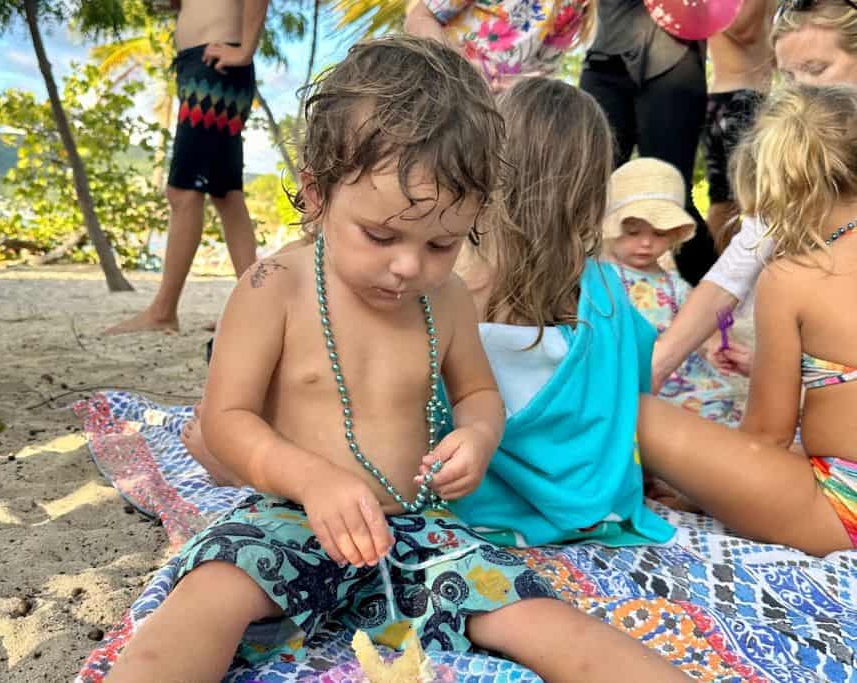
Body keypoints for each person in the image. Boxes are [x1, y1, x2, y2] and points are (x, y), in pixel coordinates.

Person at [106, 37, 687, 683]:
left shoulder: (445, 299)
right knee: (203, 600)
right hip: (288, 517)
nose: (408, 265)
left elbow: (477, 394)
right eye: (380, 235)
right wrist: (310, 479)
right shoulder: (275, 287)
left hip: (418, 527)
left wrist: (476, 434)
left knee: (545, 618)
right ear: (318, 192)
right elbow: (226, 419)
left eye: (442, 241)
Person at [447, 79, 677, 549]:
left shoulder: (444, 284)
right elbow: (632, 387)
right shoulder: (607, 292)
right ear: (593, 190)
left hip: (468, 504)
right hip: (594, 505)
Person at [639, 84, 857, 558]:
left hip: (844, 508)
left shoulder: (795, 275)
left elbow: (766, 437)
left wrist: (707, 491)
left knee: (636, 413)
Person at [652, 0, 857, 389]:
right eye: (790, 78)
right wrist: (657, 368)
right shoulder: (796, 167)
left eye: (817, 70)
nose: (802, 94)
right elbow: (736, 268)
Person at [106, 0, 267, 335]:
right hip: (203, 64)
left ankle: (164, 311)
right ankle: (258, 311)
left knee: (183, 192)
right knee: (226, 193)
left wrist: (245, 51)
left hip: (217, 65)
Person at [579, 0, 716, 286]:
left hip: (673, 58)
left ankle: (717, 309)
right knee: (587, 192)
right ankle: (562, 301)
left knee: (674, 195)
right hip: (605, 58)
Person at [603, 158, 742, 427]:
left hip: (678, 378)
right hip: (621, 376)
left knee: (712, 412)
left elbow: (702, 321)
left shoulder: (674, 286)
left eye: (658, 233)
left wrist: (714, 344)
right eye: (632, 232)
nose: (646, 243)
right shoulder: (597, 278)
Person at [703, 0, 774, 252]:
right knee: (739, 200)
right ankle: (717, 276)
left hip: (757, 98)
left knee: (750, 198)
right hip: (734, 100)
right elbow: (743, 30)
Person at [404, 0, 595, 91]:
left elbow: (543, 76)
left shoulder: (572, 6)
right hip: (438, 81)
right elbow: (419, 19)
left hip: (496, 110)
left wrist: (510, 86)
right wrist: (458, 63)